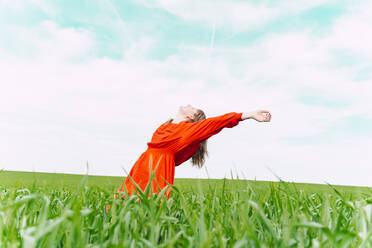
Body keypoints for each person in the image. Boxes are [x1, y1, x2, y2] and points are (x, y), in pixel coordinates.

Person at [106, 105, 271, 211]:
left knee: (144, 208)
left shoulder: (188, 131)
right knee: (120, 204)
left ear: (192, 117)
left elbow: (216, 122)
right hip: (142, 165)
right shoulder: (166, 127)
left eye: (193, 107)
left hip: (156, 170)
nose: (188, 105)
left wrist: (248, 114)